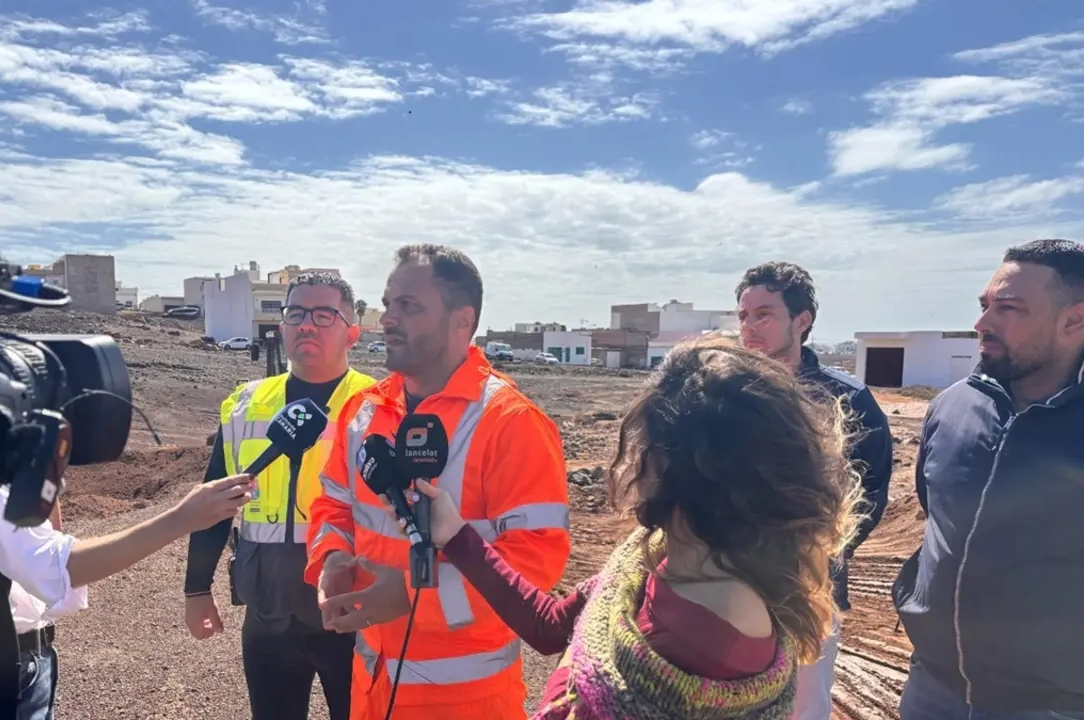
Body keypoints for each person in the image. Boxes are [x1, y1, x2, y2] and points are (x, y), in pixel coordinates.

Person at [391, 336, 861, 719]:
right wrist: (456, 535)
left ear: (662, 466)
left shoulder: (697, 643)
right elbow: (552, 626)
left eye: (638, 447)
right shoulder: (658, 558)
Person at [305, 243, 571, 720]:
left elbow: (532, 569)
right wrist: (331, 559)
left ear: (461, 322)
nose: (386, 319)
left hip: (465, 703)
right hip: (371, 690)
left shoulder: (511, 424)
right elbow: (333, 505)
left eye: (409, 307)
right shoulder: (362, 413)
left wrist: (408, 599)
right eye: (386, 305)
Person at [893, 238, 1084, 720]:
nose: (982, 324)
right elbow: (933, 510)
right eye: (984, 306)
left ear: (1075, 319)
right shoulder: (951, 408)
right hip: (932, 689)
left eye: (1009, 308)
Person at [183, 271, 376, 720]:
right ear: (282, 326)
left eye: (324, 314)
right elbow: (215, 504)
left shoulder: (380, 405)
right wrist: (196, 589)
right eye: (296, 313)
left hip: (353, 612)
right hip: (268, 614)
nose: (307, 324)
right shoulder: (246, 405)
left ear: (352, 332)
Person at [0, 474, 254, 720]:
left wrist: (41, 475)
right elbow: (60, 566)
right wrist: (183, 518)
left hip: (26, 659)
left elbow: (49, 549)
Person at [735, 261, 894, 720]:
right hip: (726, 583)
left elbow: (869, 490)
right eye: (743, 315)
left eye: (763, 314)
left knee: (804, 709)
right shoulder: (723, 394)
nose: (748, 327)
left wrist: (822, 554)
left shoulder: (845, 399)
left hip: (810, 590)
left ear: (801, 321)